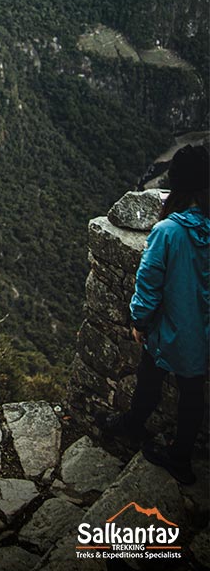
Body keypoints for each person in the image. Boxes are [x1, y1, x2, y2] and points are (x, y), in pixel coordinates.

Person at [98, 144, 209, 485]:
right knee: (193, 393)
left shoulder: (168, 232)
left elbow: (148, 282)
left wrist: (139, 320)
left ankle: (133, 426)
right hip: (203, 334)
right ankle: (181, 457)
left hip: (172, 330)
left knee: (150, 376)